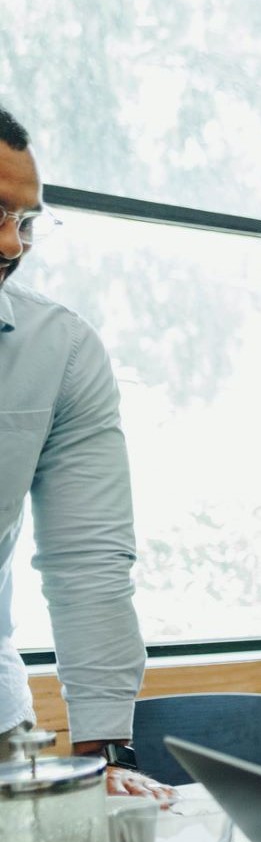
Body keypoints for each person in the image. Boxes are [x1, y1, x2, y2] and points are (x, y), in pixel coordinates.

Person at [0, 104, 164, 798]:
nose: (12, 245)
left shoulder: (59, 350)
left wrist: (107, 760)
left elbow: (88, 561)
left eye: (25, 221)